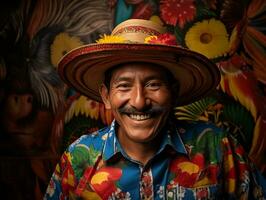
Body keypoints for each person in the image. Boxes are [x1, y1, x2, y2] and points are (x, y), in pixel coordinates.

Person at [44, 19, 266, 199]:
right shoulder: (77, 159)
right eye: (124, 86)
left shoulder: (217, 148)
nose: (139, 102)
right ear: (106, 96)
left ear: (174, 92)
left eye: (153, 84)